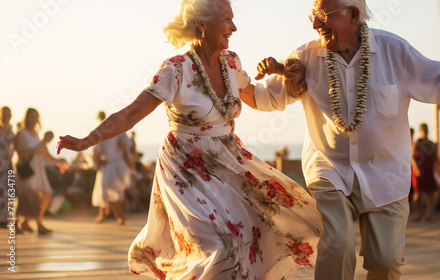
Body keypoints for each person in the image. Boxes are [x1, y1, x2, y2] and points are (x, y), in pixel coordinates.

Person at [56, 0, 322, 279]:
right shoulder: (176, 69)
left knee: (252, 234)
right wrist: (88, 140)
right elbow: (132, 113)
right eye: (227, 19)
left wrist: (289, 85)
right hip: (185, 166)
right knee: (218, 246)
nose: (234, 27)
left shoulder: (231, 63)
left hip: (229, 162)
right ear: (202, 24)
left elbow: (257, 98)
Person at [240, 0, 440, 278]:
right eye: (313, 16)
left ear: (352, 15)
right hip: (329, 168)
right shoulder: (304, 56)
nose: (315, 24)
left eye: (323, 16)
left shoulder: (394, 50)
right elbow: (262, 98)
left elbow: (438, 79)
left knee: (386, 261)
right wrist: (229, 69)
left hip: (386, 173)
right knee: (338, 241)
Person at [14, 108, 66, 234]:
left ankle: (24, 221)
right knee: (28, 197)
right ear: (26, 118)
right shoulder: (21, 133)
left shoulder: (36, 134)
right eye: (31, 117)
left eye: (36, 117)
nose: (34, 119)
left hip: (37, 169)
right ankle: (37, 224)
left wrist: (58, 162)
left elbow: (44, 153)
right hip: (28, 169)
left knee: (46, 193)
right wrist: (34, 151)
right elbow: (20, 152)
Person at [91, 111, 130, 225]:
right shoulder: (118, 129)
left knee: (104, 190)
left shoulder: (100, 131)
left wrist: (97, 164)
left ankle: (118, 214)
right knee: (116, 191)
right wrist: (126, 161)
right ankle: (114, 215)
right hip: (118, 163)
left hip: (108, 164)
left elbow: (97, 151)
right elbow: (124, 147)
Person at [410, 123, 440, 222]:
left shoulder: (431, 143)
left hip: (429, 169)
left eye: (426, 129)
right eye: (423, 129)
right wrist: (416, 169)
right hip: (419, 170)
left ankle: (429, 213)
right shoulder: (418, 142)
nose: (425, 130)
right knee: (418, 192)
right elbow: (412, 157)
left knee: (429, 191)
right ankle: (417, 213)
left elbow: (435, 158)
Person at [0, 106, 15, 228]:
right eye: (4, 114)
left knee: (8, 192)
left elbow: (13, 148)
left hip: (7, 164)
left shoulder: (11, 130)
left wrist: (11, 163)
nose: (6, 117)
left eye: (8, 114)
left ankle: (6, 218)